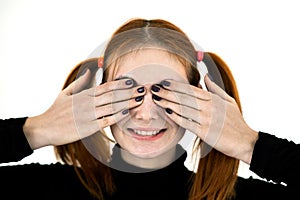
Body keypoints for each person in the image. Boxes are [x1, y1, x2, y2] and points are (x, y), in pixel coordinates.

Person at [1, 18, 299, 200]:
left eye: (165, 90)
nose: (145, 113)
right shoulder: (44, 190)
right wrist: (33, 131)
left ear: (198, 100)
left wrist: (251, 145)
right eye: (127, 88)